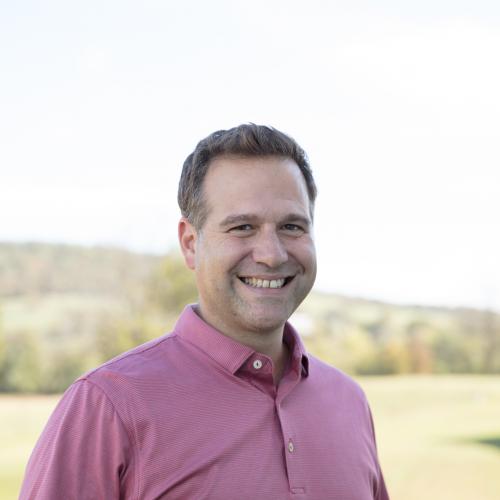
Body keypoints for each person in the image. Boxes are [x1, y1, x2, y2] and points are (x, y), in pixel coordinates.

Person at [20, 124, 389, 499]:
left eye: (292, 226)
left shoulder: (350, 402)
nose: (272, 254)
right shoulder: (108, 406)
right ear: (190, 243)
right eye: (243, 227)